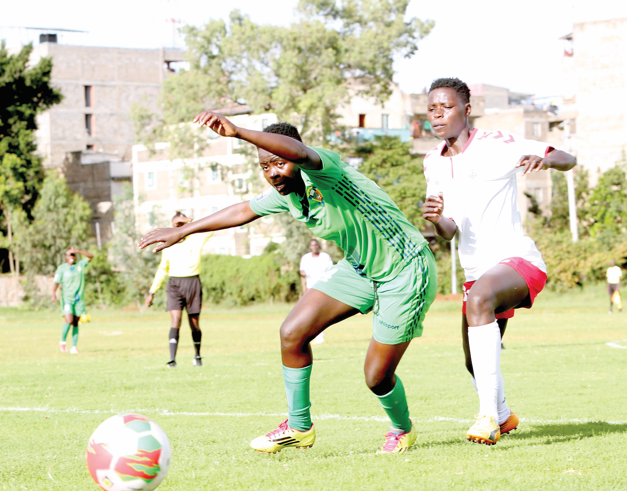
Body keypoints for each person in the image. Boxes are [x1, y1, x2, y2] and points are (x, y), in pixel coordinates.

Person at [139, 112, 437, 454]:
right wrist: (182, 231)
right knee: (292, 332)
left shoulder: (324, 169)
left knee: (376, 376)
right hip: (361, 268)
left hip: (405, 267)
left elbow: (299, 152)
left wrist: (239, 133)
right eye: (264, 167)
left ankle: (402, 429)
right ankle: (298, 427)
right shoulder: (288, 194)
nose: (272, 173)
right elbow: (242, 211)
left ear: (294, 155)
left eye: (278, 163)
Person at [421, 77, 576, 445]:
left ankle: (487, 417)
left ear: (467, 110)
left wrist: (548, 159)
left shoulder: (496, 143)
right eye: (431, 109)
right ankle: (504, 416)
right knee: (472, 361)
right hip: (477, 273)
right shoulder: (432, 163)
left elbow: (567, 157)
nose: (438, 114)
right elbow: (449, 231)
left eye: (447, 107)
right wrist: (436, 218)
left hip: (517, 260)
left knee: (478, 301)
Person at [145, 212, 212, 368]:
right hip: (174, 284)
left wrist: (189, 221)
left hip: (193, 282)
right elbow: (162, 269)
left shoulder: (196, 238)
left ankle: (197, 356)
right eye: (176, 225)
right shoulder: (169, 244)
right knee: (175, 320)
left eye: (182, 225)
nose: (179, 228)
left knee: (194, 323)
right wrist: (152, 292)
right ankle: (172, 359)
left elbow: (210, 229)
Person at [52, 247, 94, 354]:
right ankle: (63, 342)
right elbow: (56, 282)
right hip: (67, 298)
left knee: (75, 322)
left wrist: (78, 251)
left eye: (73, 255)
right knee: (69, 320)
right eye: (69, 255)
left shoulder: (80, 265)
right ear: (65, 257)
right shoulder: (61, 268)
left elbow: (91, 256)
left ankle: (74, 347)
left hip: (79, 299)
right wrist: (53, 293)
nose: (71, 257)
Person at [299, 239, 333, 344]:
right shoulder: (305, 258)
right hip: (311, 287)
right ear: (310, 247)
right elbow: (302, 271)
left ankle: (320, 335)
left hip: (323, 287)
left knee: (320, 311)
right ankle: (311, 335)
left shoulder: (325, 257)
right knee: (310, 311)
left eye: (316, 245)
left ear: (318, 246)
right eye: (312, 245)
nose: (314, 247)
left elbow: (331, 270)